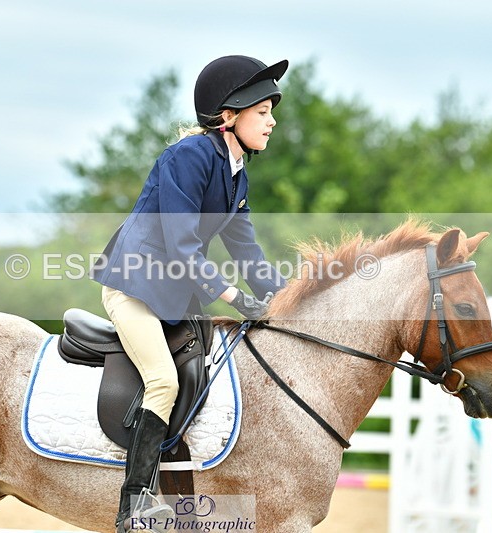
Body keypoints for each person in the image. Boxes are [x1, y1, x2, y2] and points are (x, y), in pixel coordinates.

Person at [92, 55, 289, 532]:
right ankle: (134, 503)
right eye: (262, 112)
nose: (272, 120)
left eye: (270, 112)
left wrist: (288, 300)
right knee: (163, 380)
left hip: (176, 297)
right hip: (135, 289)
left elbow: (247, 251)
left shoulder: (236, 172)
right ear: (229, 115)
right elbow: (180, 244)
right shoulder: (190, 157)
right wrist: (233, 296)